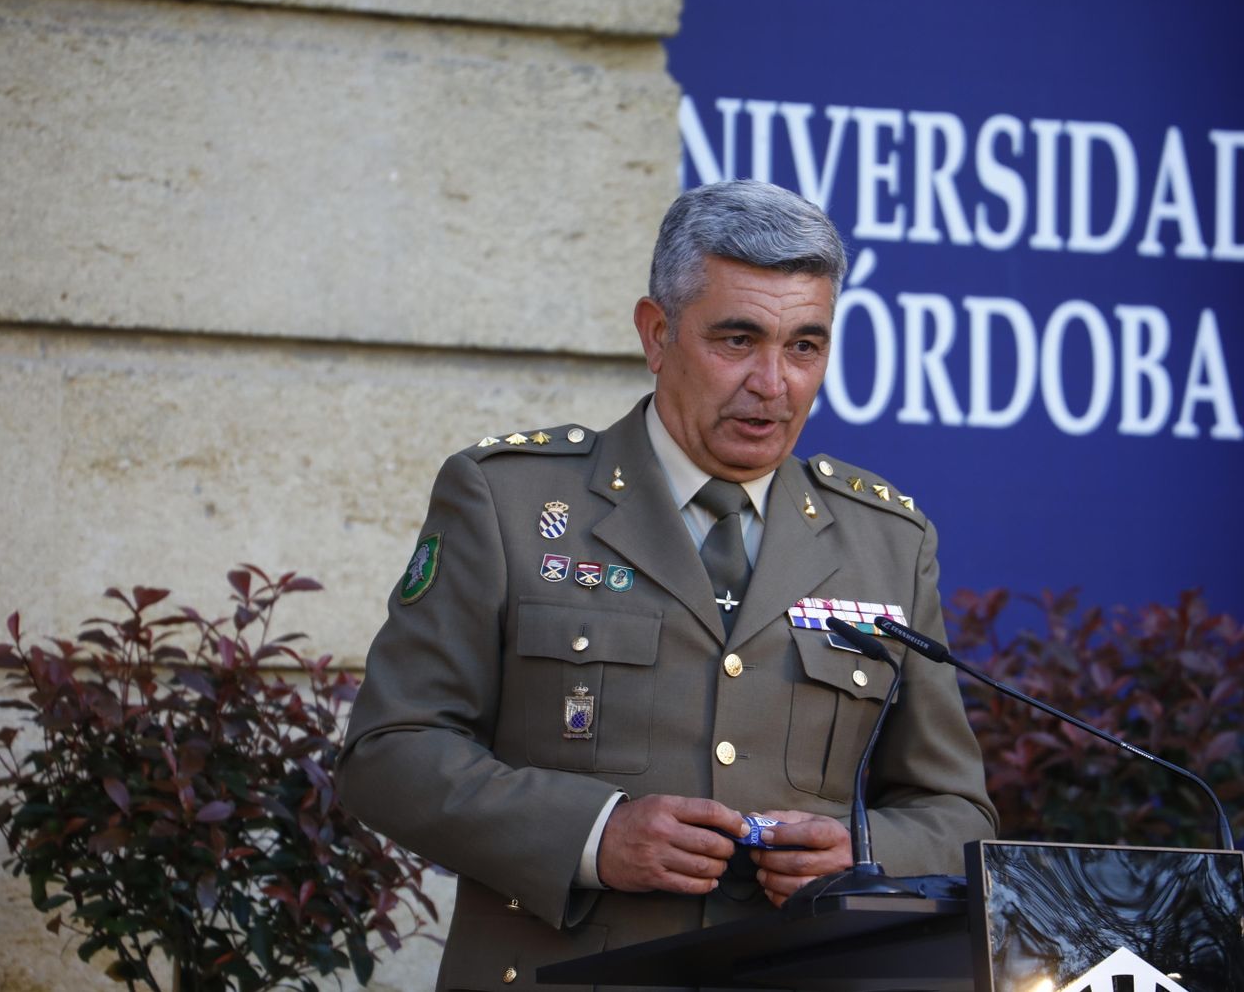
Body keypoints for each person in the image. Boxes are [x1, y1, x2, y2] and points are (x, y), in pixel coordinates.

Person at [336, 179, 997, 990]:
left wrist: (866, 853)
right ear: (657, 334)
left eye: (804, 346)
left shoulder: (888, 541)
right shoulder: (507, 501)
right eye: (737, 340)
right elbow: (389, 751)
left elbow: (955, 813)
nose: (773, 382)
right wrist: (594, 835)